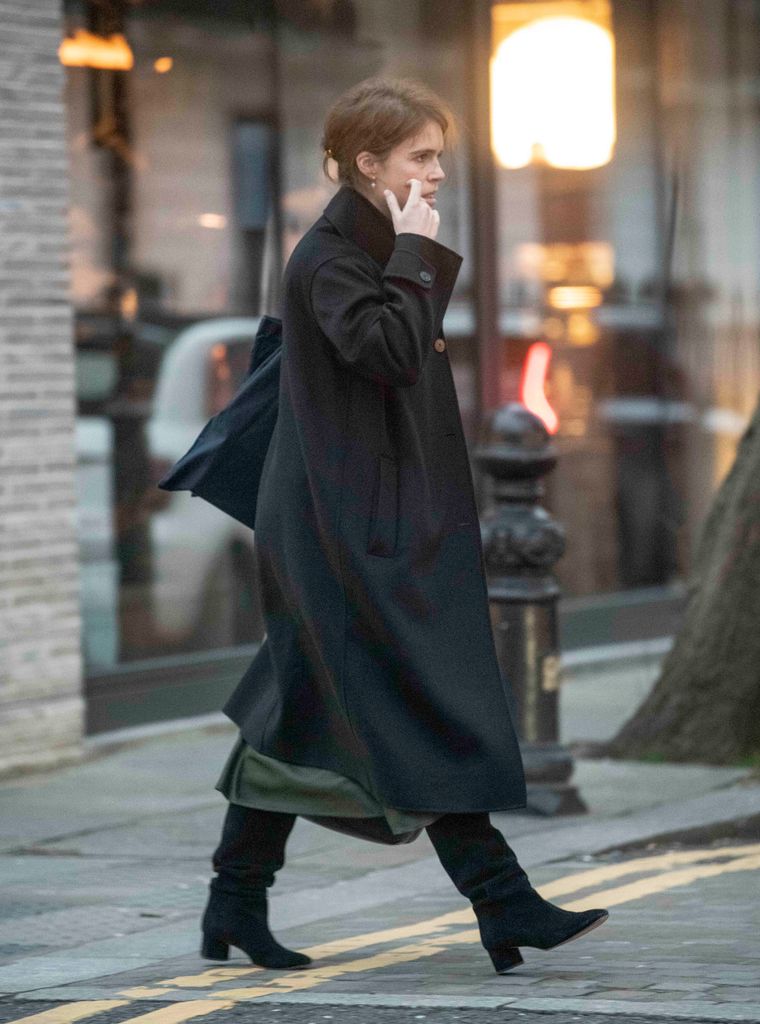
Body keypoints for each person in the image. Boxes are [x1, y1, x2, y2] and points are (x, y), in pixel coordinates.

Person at [200, 76, 609, 976]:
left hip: (351, 515)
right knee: (411, 705)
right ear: (366, 163)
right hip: (341, 528)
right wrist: (418, 256)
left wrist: (412, 254)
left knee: (297, 708)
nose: (436, 174)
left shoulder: (371, 244)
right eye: (421, 157)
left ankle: (234, 901)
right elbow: (385, 352)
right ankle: (507, 905)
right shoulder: (334, 258)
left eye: (439, 158)